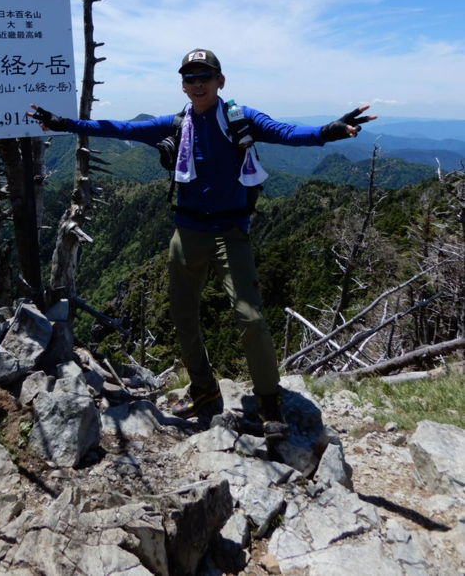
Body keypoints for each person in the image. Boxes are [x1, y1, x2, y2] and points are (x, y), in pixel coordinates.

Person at [29, 48, 376, 438]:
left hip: (231, 232)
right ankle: (204, 392)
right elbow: (117, 128)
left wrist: (328, 131)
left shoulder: (239, 118)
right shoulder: (176, 123)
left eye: (205, 77)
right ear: (183, 84)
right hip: (188, 231)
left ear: (220, 81)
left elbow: (288, 133)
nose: (197, 84)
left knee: (251, 317)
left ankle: (268, 402)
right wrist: (62, 122)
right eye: (190, 78)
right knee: (183, 314)